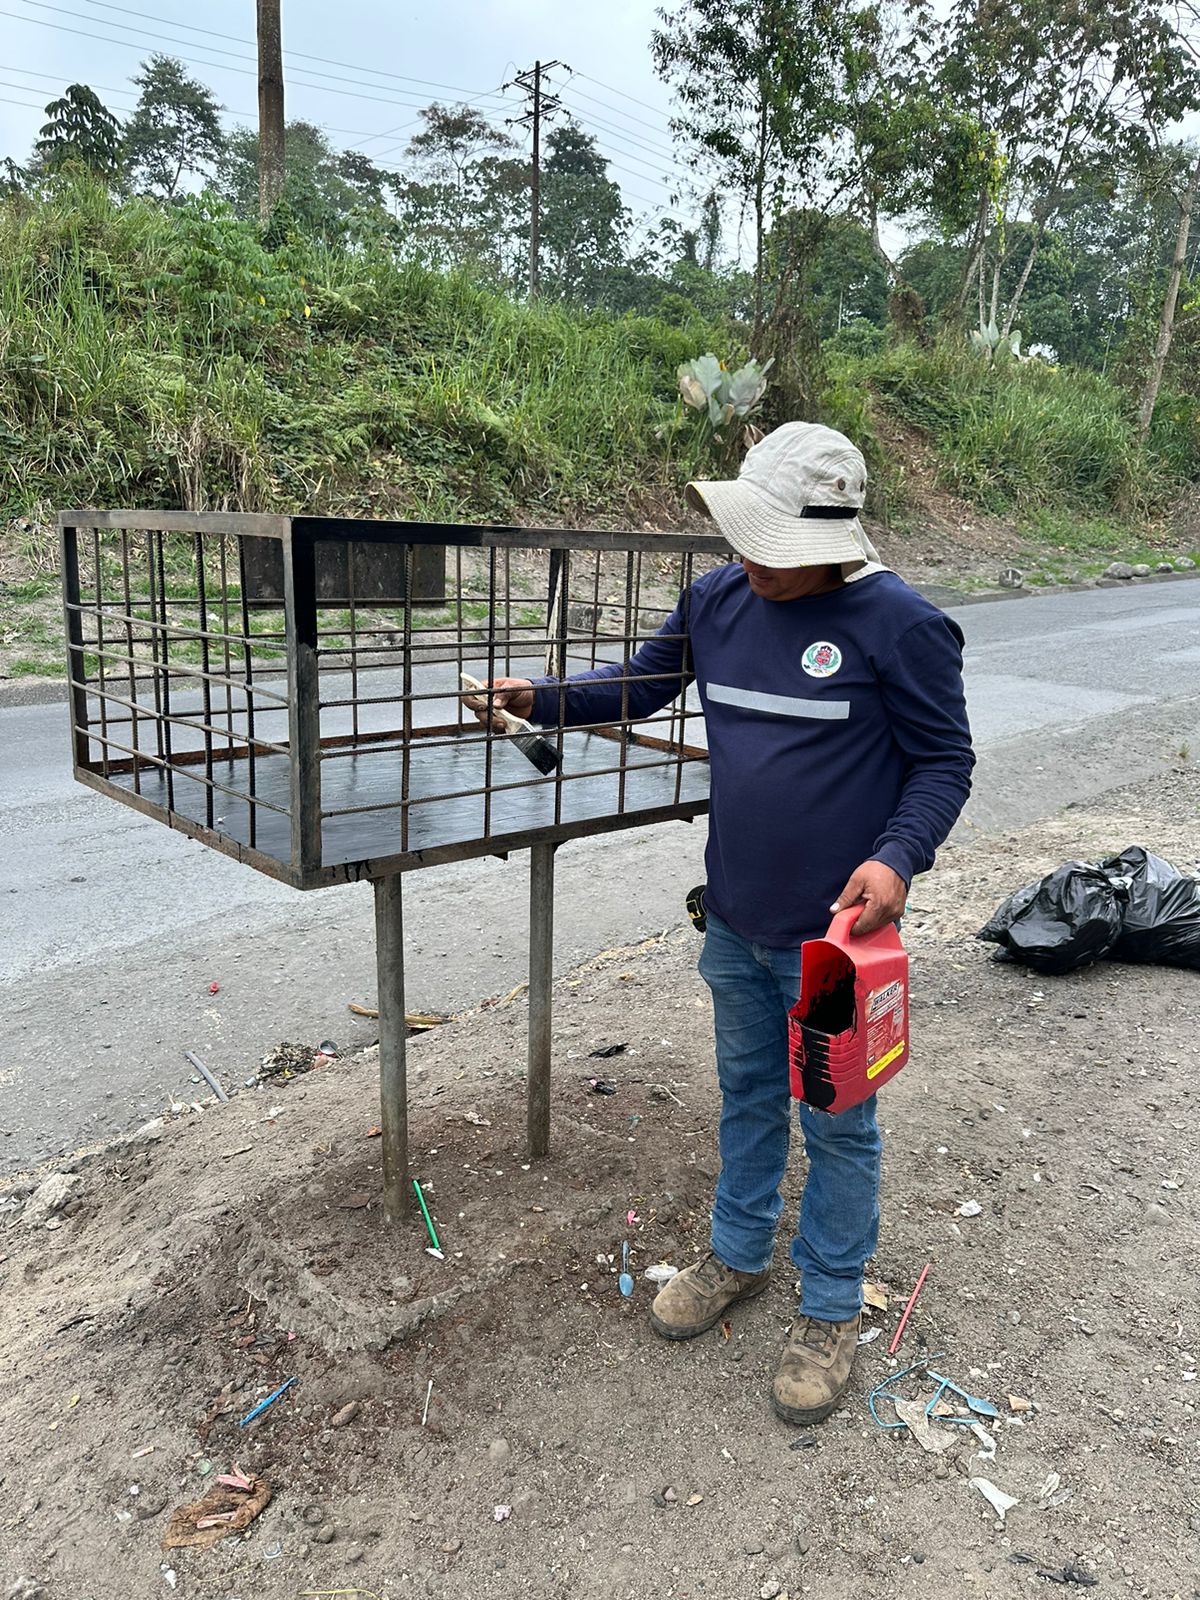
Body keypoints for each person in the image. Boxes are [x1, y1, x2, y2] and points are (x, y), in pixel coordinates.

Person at [468, 422, 975, 1426]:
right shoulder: (717, 600)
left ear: (834, 539)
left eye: (777, 547)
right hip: (736, 920)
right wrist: (543, 696)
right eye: (749, 538)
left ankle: (830, 1306)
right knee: (746, 1093)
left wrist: (897, 856)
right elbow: (641, 685)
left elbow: (943, 762)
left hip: (835, 946)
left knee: (838, 1124)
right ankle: (739, 1254)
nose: (756, 562)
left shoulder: (901, 626)